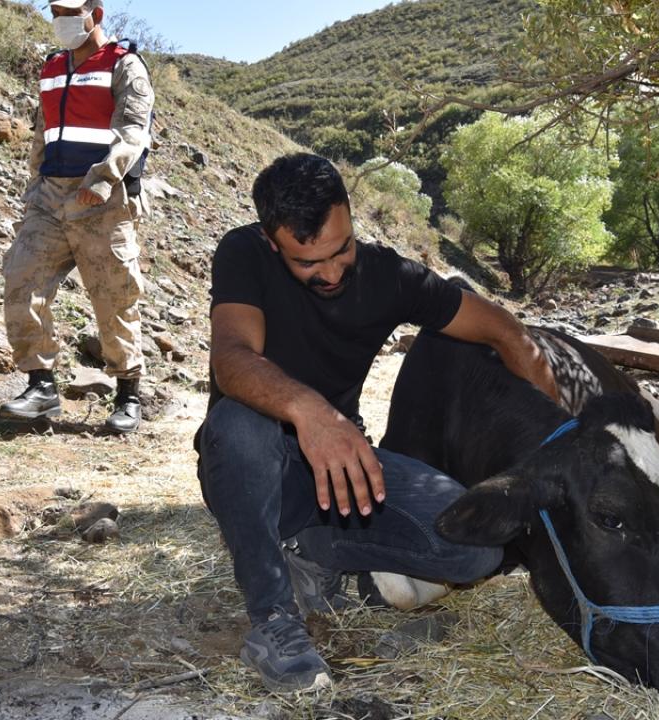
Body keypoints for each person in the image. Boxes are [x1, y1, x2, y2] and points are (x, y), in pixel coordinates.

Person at [196, 153, 560, 693]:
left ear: (350, 217)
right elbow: (233, 359)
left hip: (340, 469)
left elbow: (503, 331)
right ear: (273, 243)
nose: (332, 271)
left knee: (473, 547)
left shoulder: (389, 275)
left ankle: (312, 556)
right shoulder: (243, 252)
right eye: (308, 263)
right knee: (238, 425)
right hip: (255, 465)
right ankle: (274, 622)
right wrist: (313, 413)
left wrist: (555, 431)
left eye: (342, 249)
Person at [0, 0, 154, 434]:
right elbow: (42, 131)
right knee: (22, 277)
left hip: (101, 200)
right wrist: (35, 183)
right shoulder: (51, 68)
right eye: (55, 13)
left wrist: (103, 180)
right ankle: (41, 387)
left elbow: (132, 133)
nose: (60, 22)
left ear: (95, 14)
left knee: (113, 296)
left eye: (69, 12)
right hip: (49, 198)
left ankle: (128, 395)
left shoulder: (124, 66)